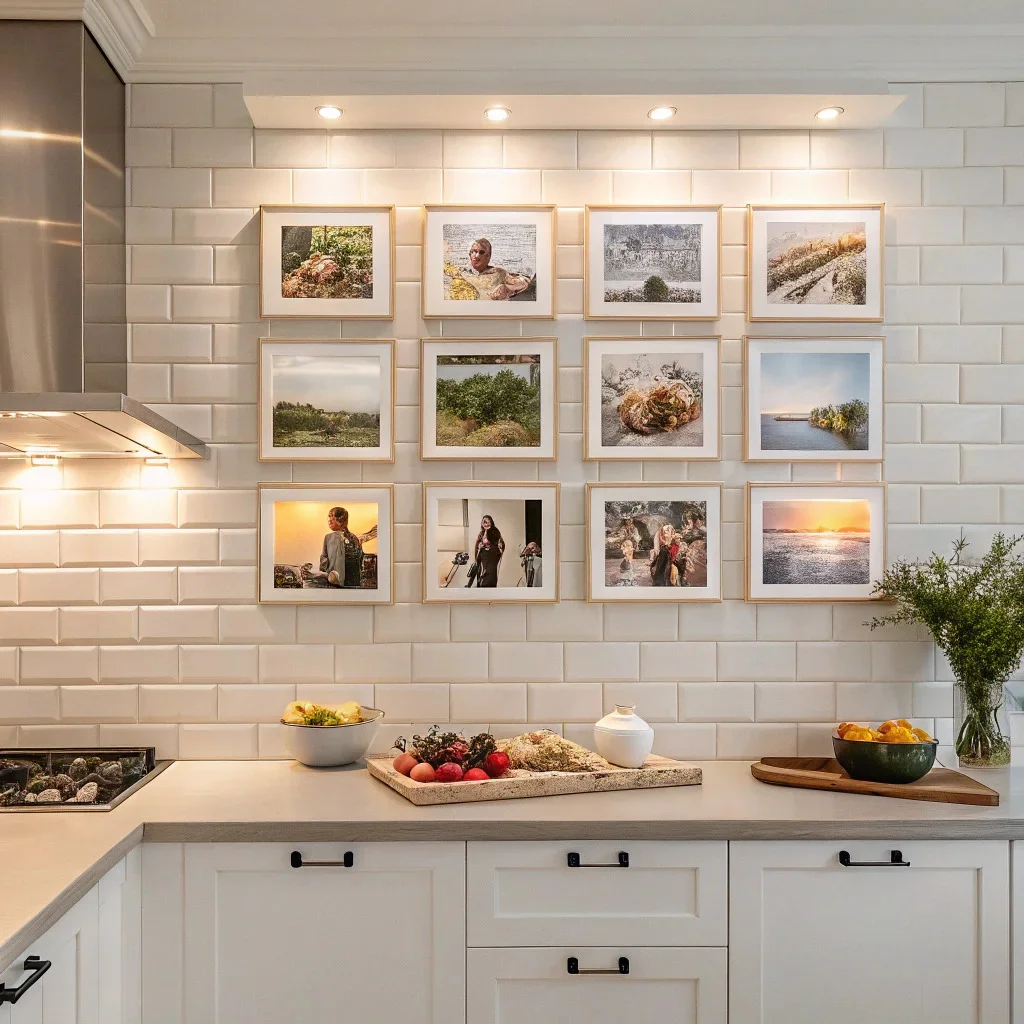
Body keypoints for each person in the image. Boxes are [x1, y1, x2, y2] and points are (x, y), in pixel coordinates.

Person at [453, 238, 532, 300]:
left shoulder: (499, 273)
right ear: (470, 254)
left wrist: (508, 288)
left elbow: (524, 282)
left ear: (488, 256)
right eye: (474, 251)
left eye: (481, 252)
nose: (476, 255)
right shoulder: (462, 273)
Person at [320, 506, 378, 588]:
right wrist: (324, 573)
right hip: (334, 579)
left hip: (351, 580)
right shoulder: (329, 537)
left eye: (332, 516)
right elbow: (324, 558)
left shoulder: (353, 538)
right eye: (329, 516)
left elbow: (359, 557)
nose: (329, 519)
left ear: (342, 520)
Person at [473, 514, 505, 587]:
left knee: (490, 574)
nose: (485, 524)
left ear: (491, 522)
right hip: (483, 556)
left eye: (487, 522)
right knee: (482, 573)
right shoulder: (481, 533)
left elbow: (501, 544)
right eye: (483, 522)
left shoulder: (495, 531)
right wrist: (480, 546)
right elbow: (477, 545)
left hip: (492, 556)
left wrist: (495, 548)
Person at [650, 523, 683, 587]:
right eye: (665, 531)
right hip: (664, 561)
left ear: (672, 532)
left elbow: (675, 553)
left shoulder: (675, 542)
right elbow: (663, 541)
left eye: (667, 530)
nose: (665, 533)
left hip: (672, 561)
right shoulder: (664, 546)